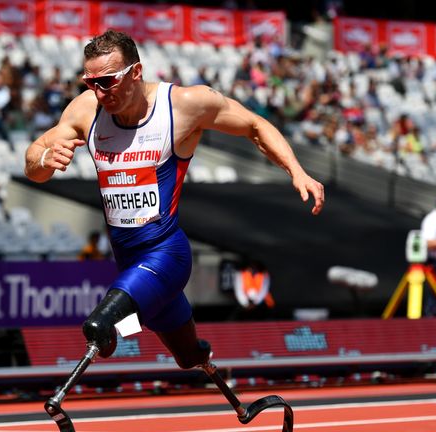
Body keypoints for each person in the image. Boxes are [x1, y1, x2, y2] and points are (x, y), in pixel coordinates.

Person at [24, 30, 323, 423]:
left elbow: (254, 125)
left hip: (166, 254)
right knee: (187, 356)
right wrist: (46, 155)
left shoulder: (184, 105)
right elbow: (33, 166)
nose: (101, 92)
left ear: (136, 72)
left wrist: (297, 171)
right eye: (91, 82)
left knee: (99, 325)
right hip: (129, 262)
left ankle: (93, 355)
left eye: (108, 80)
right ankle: (202, 357)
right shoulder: (85, 110)